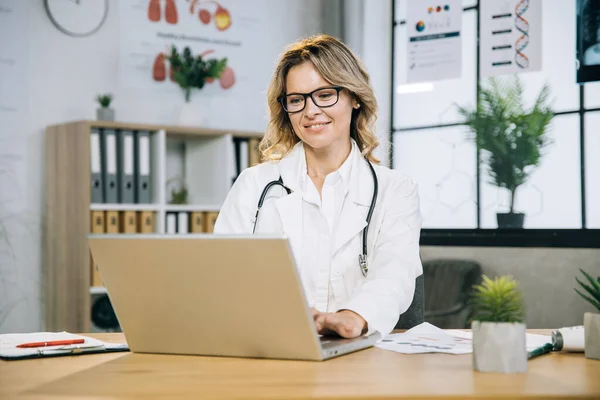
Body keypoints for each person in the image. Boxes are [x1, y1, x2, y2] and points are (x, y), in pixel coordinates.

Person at [214, 34, 422, 339]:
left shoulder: (396, 190)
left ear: (354, 97)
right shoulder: (253, 185)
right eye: (297, 100)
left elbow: (396, 272)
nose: (310, 111)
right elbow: (222, 274)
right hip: (269, 348)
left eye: (325, 95)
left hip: (358, 354)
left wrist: (355, 316)